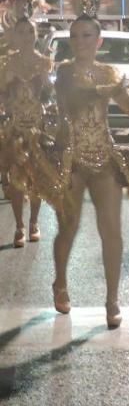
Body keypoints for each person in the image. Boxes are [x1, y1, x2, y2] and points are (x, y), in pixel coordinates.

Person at [52, 15, 129, 327]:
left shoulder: (109, 72)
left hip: (104, 156)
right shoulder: (65, 72)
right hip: (71, 158)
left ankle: (112, 299)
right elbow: (74, 98)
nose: (81, 42)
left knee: (112, 231)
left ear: (99, 41)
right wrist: (104, 89)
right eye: (76, 36)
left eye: (87, 35)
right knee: (69, 227)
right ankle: (60, 282)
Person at [0, 18, 54, 246]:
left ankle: (33, 222)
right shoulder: (5, 63)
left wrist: (45, 83)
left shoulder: (43, 62)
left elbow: (48, 96)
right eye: (21, 32)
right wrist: (6, 89)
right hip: (14, 127)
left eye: (29, 32)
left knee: (35, 177)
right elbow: (1, 96)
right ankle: (19, 226)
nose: (25, 36)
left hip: (37, 126)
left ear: (35, 35)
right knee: (15, 180)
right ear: (15, 35)